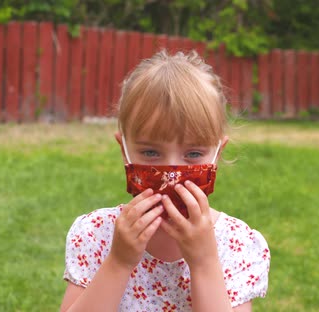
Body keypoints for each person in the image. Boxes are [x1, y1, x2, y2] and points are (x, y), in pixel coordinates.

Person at [60, 50, 270, 312]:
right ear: (124, 150)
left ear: (217, 154)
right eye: (150, 152)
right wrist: (119, 261)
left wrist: (204, 263)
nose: (172, 171)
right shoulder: (96, 235)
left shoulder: (235, 245)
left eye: (193, 154)